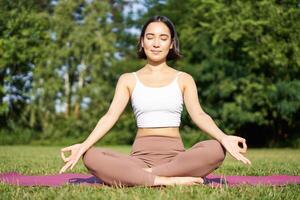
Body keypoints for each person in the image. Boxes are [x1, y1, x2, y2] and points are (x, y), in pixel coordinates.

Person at [59, 15, 251, 187]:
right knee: (91, 156)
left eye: (163, 38)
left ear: (171, 44)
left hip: (176, 159)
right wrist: (83, 146)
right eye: (150, 37)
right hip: (139, 159)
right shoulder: (128, 79)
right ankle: (164, 180)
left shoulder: (184, 79)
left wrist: (224, 137)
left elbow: (199, 115)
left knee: (216, 149)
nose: (156, 43)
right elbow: (110, 116)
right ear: (142, 42)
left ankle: (142, 177)